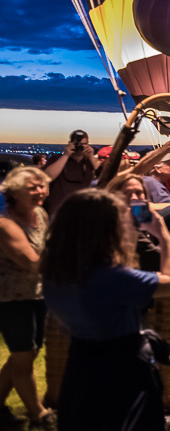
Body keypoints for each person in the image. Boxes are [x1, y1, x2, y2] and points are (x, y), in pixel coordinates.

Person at [41, 189, 170, 431]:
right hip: (122, 366)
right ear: (104, 230)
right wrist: (161, 234)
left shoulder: (56, 273)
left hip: (81, 362)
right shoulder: (109, 277)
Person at [0, 168, 53, 428]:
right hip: (10, 297)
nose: (40, 191)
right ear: (14, 192)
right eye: (33, 187)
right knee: (23, 355)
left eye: (42, 186)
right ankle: (38, 413)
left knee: (28, 353)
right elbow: (32, 263)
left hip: (36, 293)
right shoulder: (5, 224)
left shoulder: (41, 214)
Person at [42, 129, 100, 215]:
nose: (80, 147)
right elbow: (47, 177)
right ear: (70, 143)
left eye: (83, 144)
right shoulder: (57, 159)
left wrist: (91, 157)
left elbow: (104, 177)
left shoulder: (89, 162)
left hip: (83, 211)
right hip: (60, 211)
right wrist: (66, 155)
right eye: (77, 144)